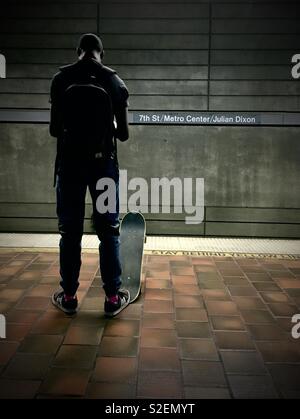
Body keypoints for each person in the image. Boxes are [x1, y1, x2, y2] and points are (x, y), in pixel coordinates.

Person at [49, 33, 130, 317]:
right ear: (101, 53)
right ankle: (111, 299)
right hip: (103, 166)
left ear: (79, 51)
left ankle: (69, 296)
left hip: (70, 166)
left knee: (70, 232)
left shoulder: (61, 80)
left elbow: (54, 130)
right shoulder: (114, 81)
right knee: (109, 232)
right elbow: (123, 134)